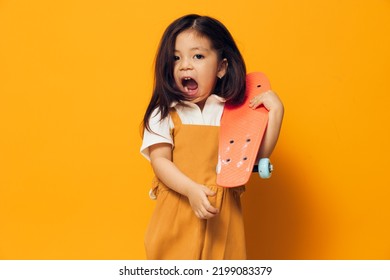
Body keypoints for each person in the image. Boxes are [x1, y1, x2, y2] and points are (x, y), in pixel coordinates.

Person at [140, 14, 284, 260]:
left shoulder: (233, 112)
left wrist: (277, 113)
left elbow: (256, 159)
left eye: (198, 56)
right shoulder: (165, 112)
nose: (185, 64)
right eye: (176, 58)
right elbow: (160, 161)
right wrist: (190, 190)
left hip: (223, 215)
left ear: (221, 67)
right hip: (177, 212)